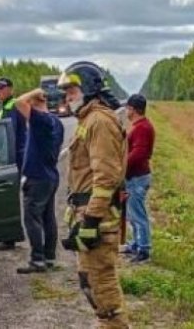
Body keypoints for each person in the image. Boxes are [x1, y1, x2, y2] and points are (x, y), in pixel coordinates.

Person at [59, 61, 129, 328]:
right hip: (88, 216)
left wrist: (90, 220)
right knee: (90, 285)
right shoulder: (88, 119)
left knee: (104, 291)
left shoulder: (99, 121)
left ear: (87, 89)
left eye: (71, 91)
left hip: (98, 222)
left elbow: (106, 177)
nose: (67, 98)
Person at [13, 88, 64, 273]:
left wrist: (35, 92)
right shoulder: (56, 122)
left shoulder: (40, 120)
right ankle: (49, 258)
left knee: (32, 218)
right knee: (48, 218)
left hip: (37, 177)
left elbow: (18, 102)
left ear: (34, 103)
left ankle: (37, 260)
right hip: (50, 176)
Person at [0, 77, 27, 251]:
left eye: (1, 89)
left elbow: (12, 135)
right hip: (9, 157)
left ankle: (9, 238)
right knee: (7, 197)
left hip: (14, 158)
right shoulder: (4, 107)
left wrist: (7, 160)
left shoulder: (12, 106)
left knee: (8, 198)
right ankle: (8, 237)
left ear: (10, 89)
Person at [120, 94, 155, 264]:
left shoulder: (142, 128)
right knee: (132, 215)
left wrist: (121, 165)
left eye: (127, 108)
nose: (126, 110)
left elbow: (139, 154)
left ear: (133, 109)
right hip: (134, 177)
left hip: (137, 178)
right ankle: (135, 244)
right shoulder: (140, 126)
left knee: (138, 215)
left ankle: (144, 249)